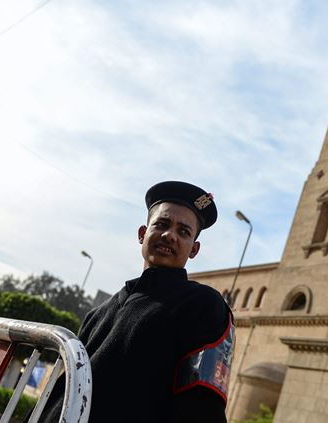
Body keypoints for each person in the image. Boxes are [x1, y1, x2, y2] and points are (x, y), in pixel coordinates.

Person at [38, 181, 234, 423]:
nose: (170, 235)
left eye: (183, 232)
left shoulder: (203, 306)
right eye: (162, 224)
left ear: (194, 249)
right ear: (142, 234)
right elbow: (63, 391)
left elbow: (203, 407)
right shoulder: (97, 314)